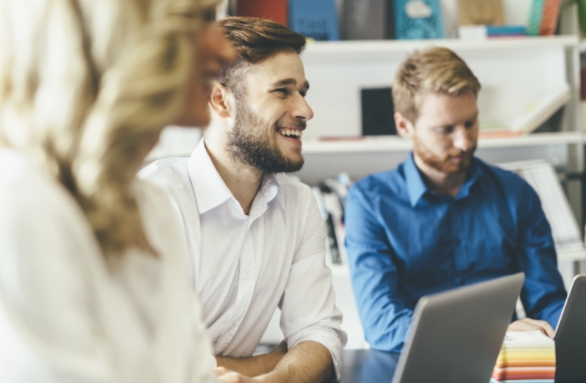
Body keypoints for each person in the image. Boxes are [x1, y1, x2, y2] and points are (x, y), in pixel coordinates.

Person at [0, 1, 256, 382]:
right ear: (124, 33)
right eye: (202, 19)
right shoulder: (22, 206)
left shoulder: (151, 205)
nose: (226, 50)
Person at [140, 16, 347, 382]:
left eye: (303, 91)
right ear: (221, 100)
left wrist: (277, 379)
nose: (305, 110)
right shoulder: (156, 201)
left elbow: (319, 333)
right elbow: (150, 366)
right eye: (282, 91)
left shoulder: (299, 205)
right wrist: (273, 361)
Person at [344, 47, 568, 353]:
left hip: (504, 363)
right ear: (404, 126)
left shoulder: (516, 193)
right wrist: (492, 334)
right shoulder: (369, 202)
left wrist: (567, 323)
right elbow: (382, 322)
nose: (464, 142)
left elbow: (546, 301)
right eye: (445, 129)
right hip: (415, 363)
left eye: (470, 123)